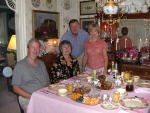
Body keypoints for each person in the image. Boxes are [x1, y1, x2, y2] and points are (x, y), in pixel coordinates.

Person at [12, 38, 50, 113]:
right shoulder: (20, 66)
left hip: (44, 95)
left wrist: (50, 92)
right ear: (28, 49)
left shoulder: (41, 64)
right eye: (32, 47)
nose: (35, 50)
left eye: (37, 48)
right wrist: (33, 96)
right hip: (27, 98)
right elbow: (15, 88)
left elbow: (48, 81)